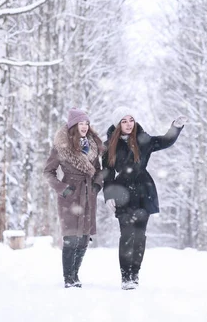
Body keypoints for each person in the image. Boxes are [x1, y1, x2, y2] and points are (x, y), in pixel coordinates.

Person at [103, 106, 187, 290]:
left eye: (131, 120)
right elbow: (106, 173)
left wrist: (175, 127)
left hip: (143, 191)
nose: (128, 124)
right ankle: (126, 277)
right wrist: (108, 195)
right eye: (124, 121)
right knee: (126, 235)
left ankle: (135, 274)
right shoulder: (109, 145)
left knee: (140, 236)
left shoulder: (143, 139)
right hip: (122, 192)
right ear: (118, 125)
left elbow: (165, 141)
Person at [43, 108, 104, 288]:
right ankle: (68, 279)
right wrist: (63, 189)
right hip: (70, 196)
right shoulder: (61, 146)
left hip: (88, 195)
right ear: (73, 125)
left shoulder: (92, 145)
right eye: (80, 123)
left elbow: (99, 171)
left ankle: (75, 275)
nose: (84, 126)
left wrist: (96, 185)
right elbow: (48, 172)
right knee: (71, 238)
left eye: (86, 123)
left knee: (84, 238)